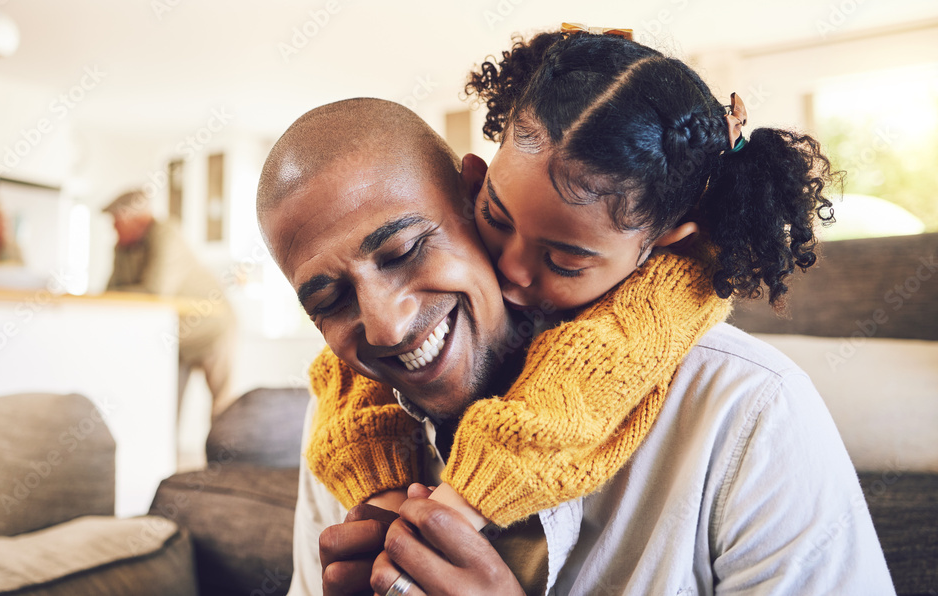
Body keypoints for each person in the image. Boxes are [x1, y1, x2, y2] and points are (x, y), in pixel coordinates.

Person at [258, 91, 894, 596]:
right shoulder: (347, 428)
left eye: (402, 251)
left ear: (475, 197)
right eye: (328, 300)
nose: (386, 328)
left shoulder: (747, 411)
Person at [103, 189, 237, 419]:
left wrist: (124, 293)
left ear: (131, 218)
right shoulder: (121, 247)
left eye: (116, 221)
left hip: (212, 328)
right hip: (175, 336)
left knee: (221, 408)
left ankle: (221, 455)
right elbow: (111, 293)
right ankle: (166, 455)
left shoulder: (166, 233)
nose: (113, 228)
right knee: (166, 409)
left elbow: (155, 292)